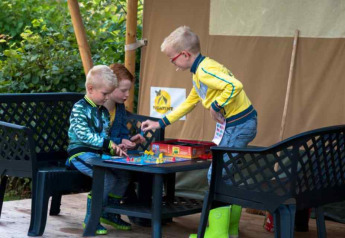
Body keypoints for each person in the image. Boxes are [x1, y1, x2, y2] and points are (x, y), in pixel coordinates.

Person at [141, 26, 258, 238]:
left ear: (185, 54)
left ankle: (217, 234)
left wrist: (216, 106)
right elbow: (190, 103)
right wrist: (160, 123)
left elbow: (235, 86)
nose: (172, 63)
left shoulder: (204, 70)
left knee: (217, 175)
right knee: (226, 176)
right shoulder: (199, 72)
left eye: (172, 59)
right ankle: (228, 230)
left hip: (239, 124)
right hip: (238, 124)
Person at [65, 65, 132, 235]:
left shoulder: (102, 112)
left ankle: (110, 213)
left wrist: (115, 147)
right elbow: (84, 135)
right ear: (90, 89)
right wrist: (108, 145)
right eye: (105, 94)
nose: (107, 97)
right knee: (106, 178)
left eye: (109, 93)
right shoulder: (80, 108)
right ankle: (92, 218)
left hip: (97, 154)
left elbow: (104, 137)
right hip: (80, 153)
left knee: (124, 174)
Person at [104, 63, 152, 227]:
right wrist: (119, 142)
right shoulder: (97, 107)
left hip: (115, 154)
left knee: (146, 168)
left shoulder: (119, 107)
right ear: (109, 87)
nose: (127, 95)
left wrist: (130, 140)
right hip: (98, 153)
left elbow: (122, 133)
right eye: (123, 90)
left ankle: (141, 210)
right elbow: (99, 137)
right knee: (123, 172)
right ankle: (106, 211)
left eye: (129, 90)